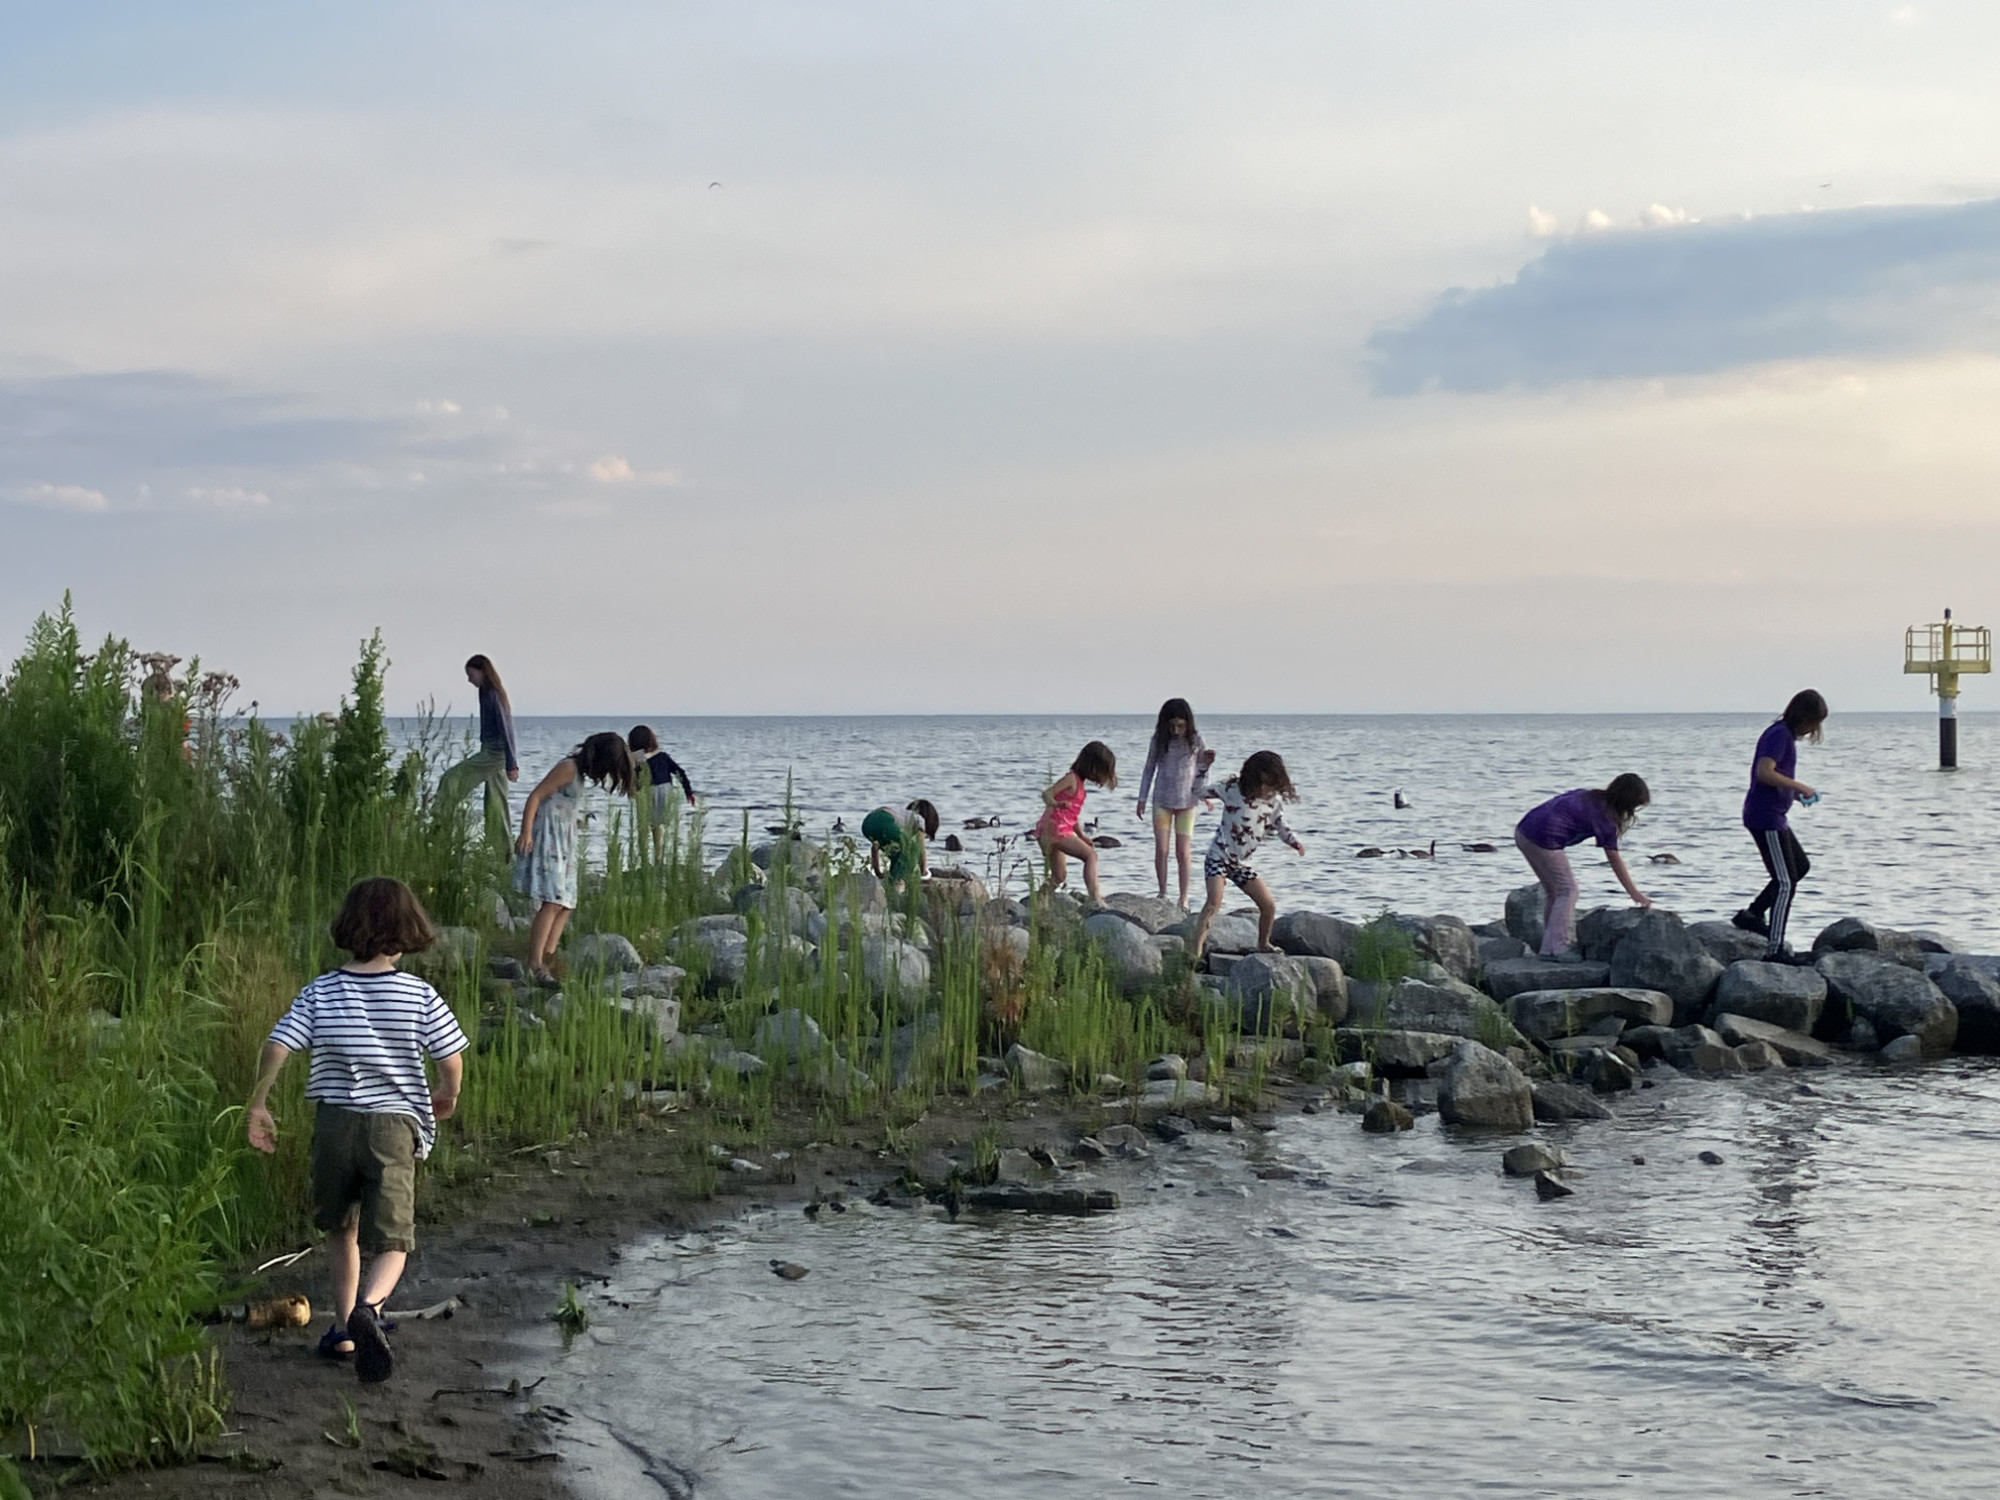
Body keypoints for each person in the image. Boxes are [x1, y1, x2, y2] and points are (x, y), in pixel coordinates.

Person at [245, 877, 469, 1385]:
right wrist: (447, 1092)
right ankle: (370, 1308)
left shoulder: (322, 991)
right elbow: (450, 1058)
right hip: (391, 1128)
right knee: (394, 1240)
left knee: (341, 1228)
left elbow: (278, 1044)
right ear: (408, 931)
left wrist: (258, 1102)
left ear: (349, 927)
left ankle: (345, 1330)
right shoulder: (419, 994)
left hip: (334, 1124)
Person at [513, 732, 637, 981]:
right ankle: (535, 963)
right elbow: (535, 796)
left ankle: (549, 954)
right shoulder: (568, 768)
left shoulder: (578, 775)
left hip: (564, 844)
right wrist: (525, 831)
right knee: (553, 901)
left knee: (567, 903)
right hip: (549, 841)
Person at [1734, 690, 1828, 962]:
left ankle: (1752, 915)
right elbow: (1765, 773)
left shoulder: (1784, 736)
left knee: (1799, 867)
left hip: (1775, 814)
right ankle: (1774, 949)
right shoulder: (1779, 735)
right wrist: (1799, 785)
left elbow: (1776, 778)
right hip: (1765, 817)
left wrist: (1794, 794)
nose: (1814, 729)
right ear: (1803, 716)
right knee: (1785, 882)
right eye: (1814, 722)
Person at [1514, 775, 1653, 957]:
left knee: (1554, 892)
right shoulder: (1605, 817)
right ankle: (1559, 947)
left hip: (1523, 832)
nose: (1632, 812)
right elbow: (1614, 859)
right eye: (1634, 807)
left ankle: (1548, 947)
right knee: (1568, 891)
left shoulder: (1589, 796)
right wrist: (1634, 893)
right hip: (1543, 840)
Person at [1188, 751, 1305, 960]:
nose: (1263, 789)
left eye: (1269, 785)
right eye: (1260, 783)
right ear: (1250, 778)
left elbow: (1280, 825)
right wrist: (1203, 767)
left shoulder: (1273, 801)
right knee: (1214, 901)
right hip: (1219, 857)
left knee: (1268, 905)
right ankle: (1195, 950)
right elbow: (1198, 791)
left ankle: (1263, 943)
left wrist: (1293, 842)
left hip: (1239, 864)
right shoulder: (1232, 789)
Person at [1134, 697, 1216, 909]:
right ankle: (1162, 892)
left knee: (1183, 852)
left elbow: (1201, 770)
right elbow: (1149, 768)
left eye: (1180, 725)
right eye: (1172, 726)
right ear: (1165, 724)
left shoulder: (1196, 740)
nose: (1176, 730)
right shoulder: (1159, 739)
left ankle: (1184, 897)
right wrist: (1142, 798)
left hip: (1187, 802)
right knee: (1161, 849)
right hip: (1161, 799)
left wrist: (1205, 793)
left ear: (1188, 723)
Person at [435, 655, 519, 841]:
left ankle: (438, 823)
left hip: (495, 753)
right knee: (496, 804)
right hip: (491, 751)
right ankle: (502, 854)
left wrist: (512, 764)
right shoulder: (486, 692)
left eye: (471, 674)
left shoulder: (493, 695)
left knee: (451, 779)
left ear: (482, 672)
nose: (469, 679)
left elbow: (507, 728)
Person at [1036, 741, 1118, 905]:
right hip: (1055, 830)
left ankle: (1038, 900)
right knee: (1090, 856)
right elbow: (1047, 794)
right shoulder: (1071, 779)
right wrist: (1057, 804)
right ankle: (1095, 897)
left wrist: (1081, 836)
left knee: (1059, 876)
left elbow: (1071, 817)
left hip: (1054, 829)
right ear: (1092, 767)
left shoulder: (1078, 784)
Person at [627, 725, 696, 860]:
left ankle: (644, 859)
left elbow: (632, 778)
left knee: (643, 827)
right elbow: (680, 772)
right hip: (664, 790)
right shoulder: (662, 756)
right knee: (658, 827)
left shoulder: (635, 760)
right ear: (652, 740)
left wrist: (632, 790)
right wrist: (688, 792)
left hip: (645, 791)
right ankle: (659, 858)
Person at [862, 799, 940, 891]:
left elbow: (875, 847)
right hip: (885, 818)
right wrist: (923, 873)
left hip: (868, 822)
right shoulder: (918, 819)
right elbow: (920, 849)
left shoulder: (901, 817)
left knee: (896, 852)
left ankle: (892, 881)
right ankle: (898, 884)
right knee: (910, 849)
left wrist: (878, 872)